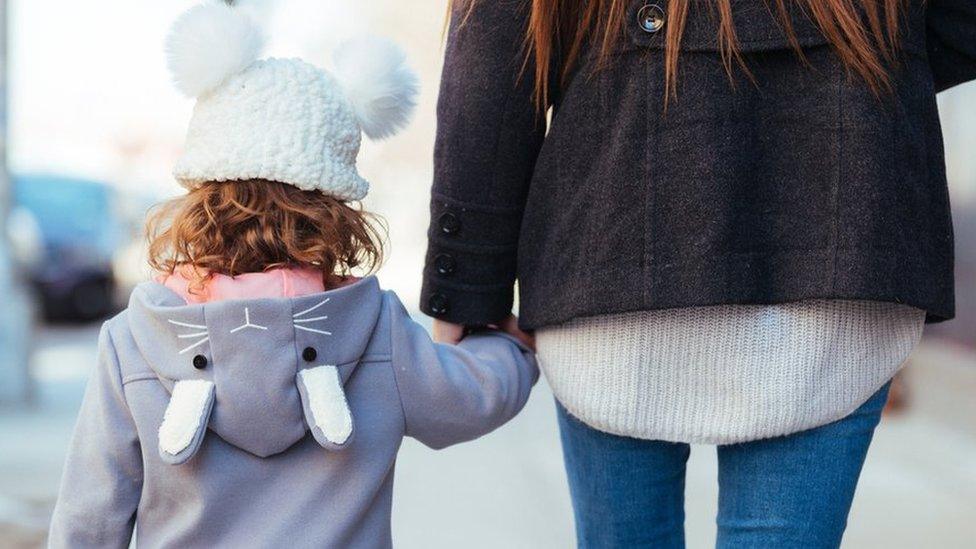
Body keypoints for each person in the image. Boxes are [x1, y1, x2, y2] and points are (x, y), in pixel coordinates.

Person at [423, 0, 975, 547]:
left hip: (612, 247)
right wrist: (843, 61)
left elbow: (494, 67)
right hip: (838, 245)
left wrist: (467, 283)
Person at [48, 4, 537, 548]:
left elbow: (89, 520)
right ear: (336, 213)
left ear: (201, 195)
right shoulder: (375, 329)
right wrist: (510, 348)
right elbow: (473, 397)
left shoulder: (134, 342)